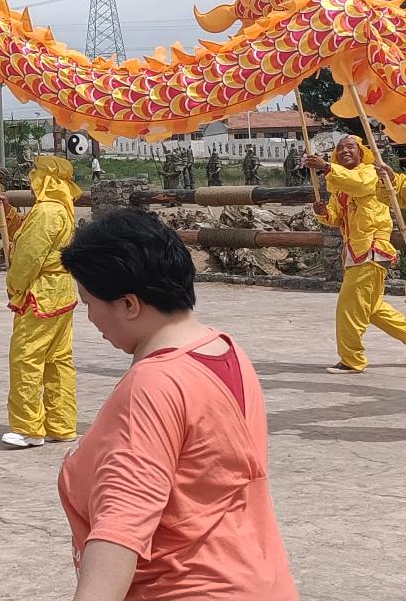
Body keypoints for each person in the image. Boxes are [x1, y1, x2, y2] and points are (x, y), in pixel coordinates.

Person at [58, 208, 298, 600]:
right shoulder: (224, 349)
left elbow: (121, 528)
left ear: (129, 304)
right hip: (257, 580)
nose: (89, 317)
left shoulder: (154, 385)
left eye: (88, 302)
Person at [0, 156, 80, 448]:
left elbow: (28, 256)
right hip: (61, 293)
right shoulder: (61, 208)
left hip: (40, 294)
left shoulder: (46, 211)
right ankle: (61, 424)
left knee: (26, 359)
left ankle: (28, 427)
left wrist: (14, 285)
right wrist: (7, 211)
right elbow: (25, 233)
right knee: (58, 360)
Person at [304, 136, 406, 374]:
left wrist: (326, 168)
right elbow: (336, 218)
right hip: (356, 251)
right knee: (373, 309)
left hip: (372, 249)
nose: (345, 151)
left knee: (348, 307)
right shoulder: (339, 186)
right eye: (340, 148)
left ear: (361, 152)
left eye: (350, 147)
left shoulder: (370, 172)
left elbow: (359, 185)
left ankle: (352, 359)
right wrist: (323, 212)